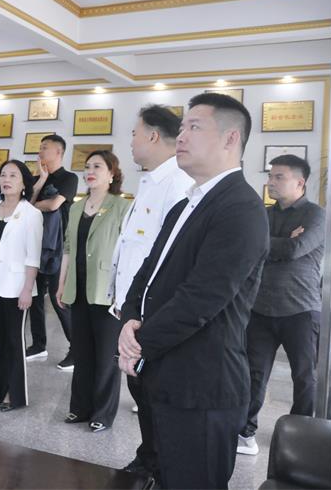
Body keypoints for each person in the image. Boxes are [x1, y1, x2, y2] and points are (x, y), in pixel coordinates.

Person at [118, 93, 269, 489]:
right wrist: (129, 317)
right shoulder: (186, 204)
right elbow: (148, 272)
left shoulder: (241, 209)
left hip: (202, 386)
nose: (181, 136)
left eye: (195, 127)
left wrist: (137, 344)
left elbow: (200, 299)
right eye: (182, 127)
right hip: (165, 376)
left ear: (230, 139)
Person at [111, 105, 193, 480]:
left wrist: (143, 315)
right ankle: (149, 458)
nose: (130, 141)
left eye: (134, 133)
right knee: (140, 389)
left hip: (151, 314)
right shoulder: (150, 181)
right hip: (134, 309)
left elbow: (169, 260)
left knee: (152, 393)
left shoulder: (176, 184)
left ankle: (159, 465)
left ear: (154, 136)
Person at [236, 154, 325, 456]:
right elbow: (250, 247)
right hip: (260, 308)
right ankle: (244, 432)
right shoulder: (263, 213)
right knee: (253, 374)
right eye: (270, 176)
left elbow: (295, 249)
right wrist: (281, 241)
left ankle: (301, 440)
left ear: (300, 182)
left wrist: (274, 244)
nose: (270, 182)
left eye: (278, 177)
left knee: (304, 377)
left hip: (301, 309)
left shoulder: (316, 215)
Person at [56, 150, 130, 432]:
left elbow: (127, 252)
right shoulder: (76, 207)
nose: (90, 171)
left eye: (97, 167)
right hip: (78, 289)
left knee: (106, 356)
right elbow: (68, 248)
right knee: (82, 352)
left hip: (106, 291)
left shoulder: (121, 206)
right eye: (87, 166)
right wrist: (61, 284)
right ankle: (79, 408)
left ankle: (102, 414)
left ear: (111, 174)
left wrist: (124, 292)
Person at [0, 160, 43, 412]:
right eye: (3, 175)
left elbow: (33, 257)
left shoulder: (31, 214)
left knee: (14, 340)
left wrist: (27, 290)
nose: (6, 179)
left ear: (24, 183)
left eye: (13, 175)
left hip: (16, 286)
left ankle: (16, 396)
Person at [28, 134, 78, 369]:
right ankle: (39, 345)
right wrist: (41, 181)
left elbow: (54, 204)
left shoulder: (69, 178)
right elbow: (25, 207)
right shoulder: (36, 179)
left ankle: (76, 349)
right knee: (35, 298)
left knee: (59, 299)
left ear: (59, 152)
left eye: (44, 148)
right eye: (39, 148)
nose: (40, 152)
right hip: (35, 245)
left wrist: (35, 204)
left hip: (58, 247)